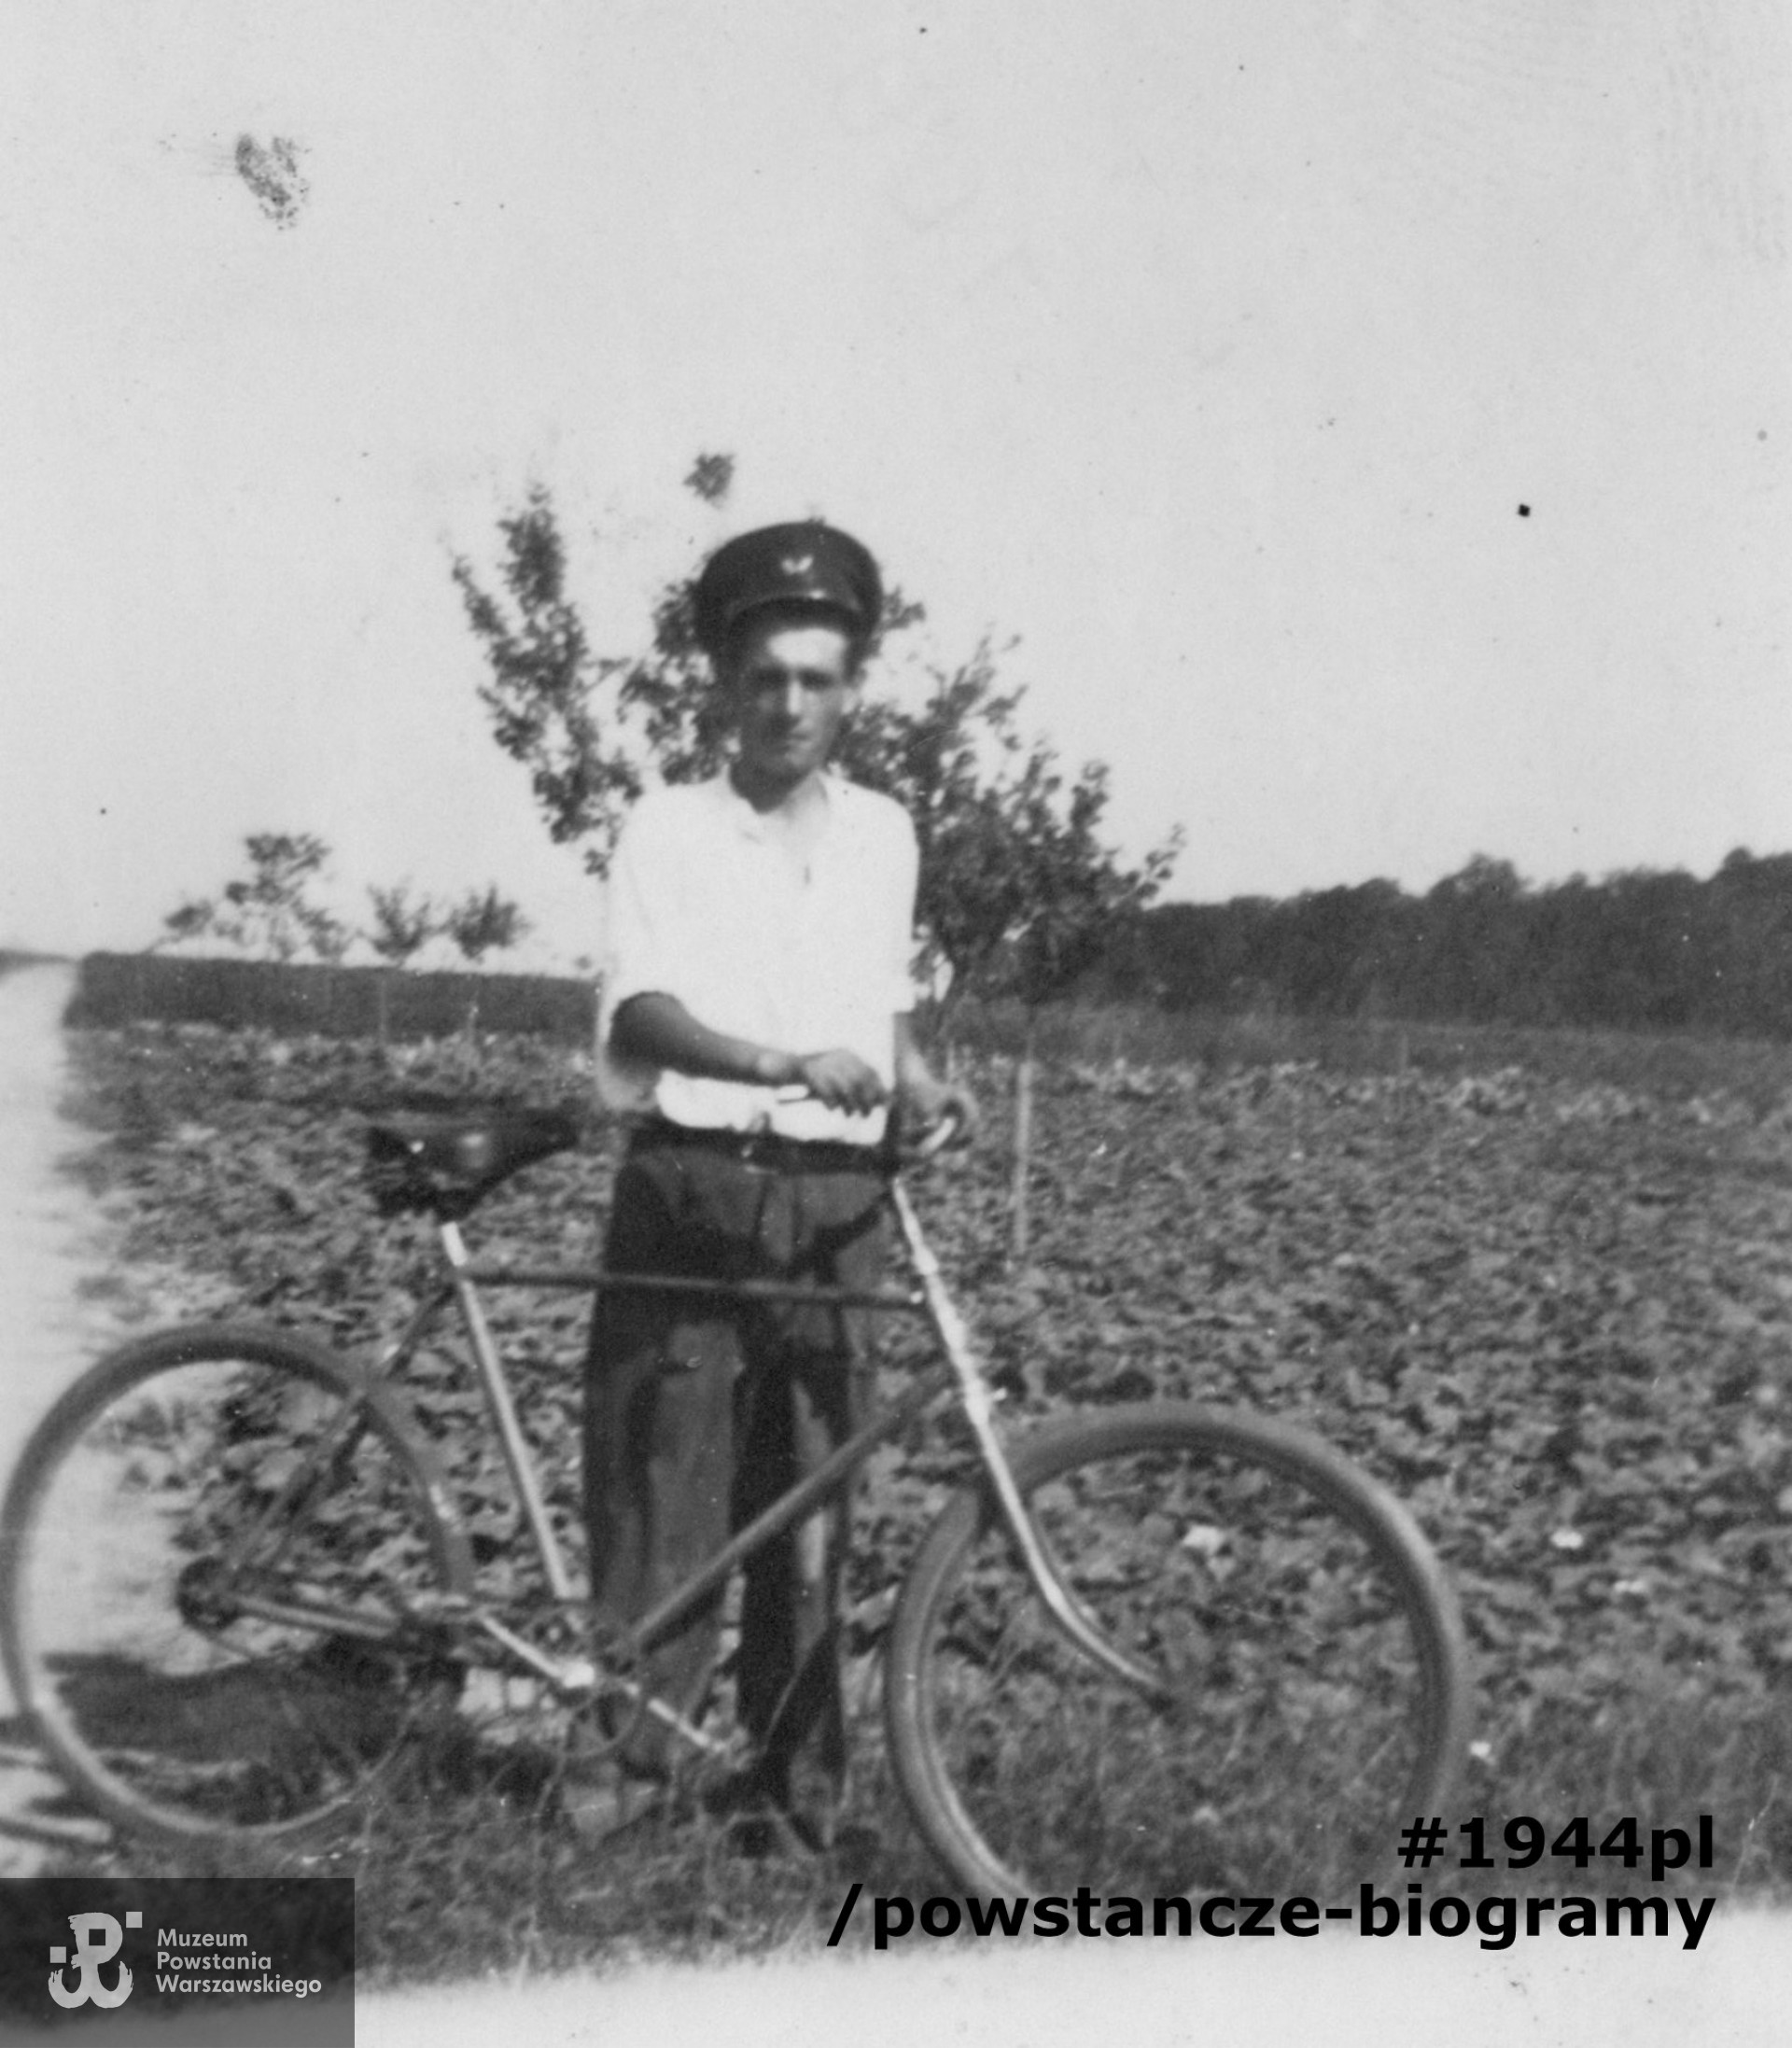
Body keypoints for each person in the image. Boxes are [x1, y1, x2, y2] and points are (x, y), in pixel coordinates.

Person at [580, 520, 975, 1845]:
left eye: (817, 678)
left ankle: (794, 1791)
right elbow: (638, 1019)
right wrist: (773, 1061)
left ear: (854, 687)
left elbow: (877, 1004)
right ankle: (628, 1782)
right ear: (725, 686)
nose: (790, 705)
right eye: (767, 677)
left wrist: (915, 1081)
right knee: (663, 1494)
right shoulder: (666, 827)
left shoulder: (884, 835)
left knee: (813, 1508)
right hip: (692, 1185)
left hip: (834, 1210)